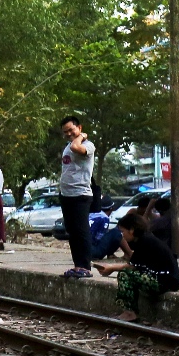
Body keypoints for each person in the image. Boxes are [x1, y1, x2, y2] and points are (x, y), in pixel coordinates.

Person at [94, 210, 179, 323]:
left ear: (131, 230)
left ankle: (130, 312)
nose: (122, 235)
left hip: (164, 281)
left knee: (125, 275)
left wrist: (111, 267)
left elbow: (131, 267)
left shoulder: (145, 241)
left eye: (123, 231)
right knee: (127, 274)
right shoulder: (144, 239)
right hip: (163, 279)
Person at [57, 116, 97, 278]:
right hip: (66, 195)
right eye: (65, 132)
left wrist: (80, 137)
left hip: (80, 195)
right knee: (72, 232)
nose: (68, 134)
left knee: (81, 231)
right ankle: (77, 265)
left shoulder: (88, 146)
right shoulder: (68, 146)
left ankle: (85, 267)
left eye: (71, 130)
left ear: (79, 127)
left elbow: (76, 148)